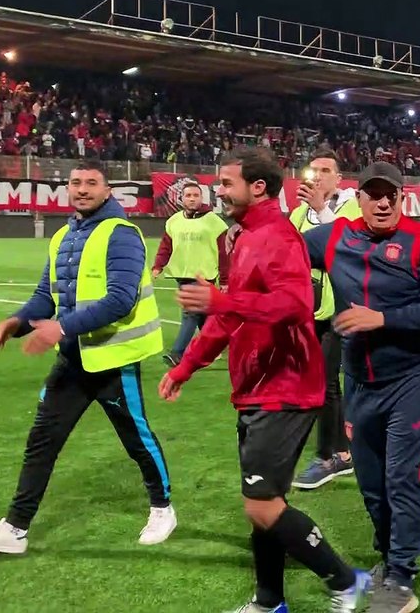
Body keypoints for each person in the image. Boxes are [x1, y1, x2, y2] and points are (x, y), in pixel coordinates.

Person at [158, 147, 370, 613]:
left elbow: (295, 306)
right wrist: (186, 366)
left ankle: (345, 580)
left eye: (227, 183)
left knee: (261, 505)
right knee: (264, 503)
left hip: (287, 387)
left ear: (258, 187)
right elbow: (226, 316)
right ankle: (269, 600)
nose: (219, 190)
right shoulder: (243, 237)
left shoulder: (278, 236)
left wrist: (223, 304)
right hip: (256, 387)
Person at [0, 159, 175, 555]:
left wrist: (60, 328)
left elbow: (121, 299)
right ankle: (15, 528)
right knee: (42, 440)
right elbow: (47, 293)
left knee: (136, 439)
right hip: (73, 359)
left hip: (113, 358)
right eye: (76, 182)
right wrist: (20, 320)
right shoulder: (63, 236)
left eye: (91, 183)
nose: (82, 189)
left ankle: (163, 508)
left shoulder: (121, 233)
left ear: (108, 191)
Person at [304, 161, 420, 613]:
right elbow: (283, 248)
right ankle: (390, 560)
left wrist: (382, 319)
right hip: (359, 380)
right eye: (373, 194)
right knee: (371, 484)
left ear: (402, 196)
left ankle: (403, 579)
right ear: (360, 198)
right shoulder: (334, 236)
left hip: (410, 377)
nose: (383, 202)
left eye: (390, 193)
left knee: (401, 478)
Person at [290, 147, 359, 490]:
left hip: (341, 310)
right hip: (307, 311)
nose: (317, 175)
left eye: (325, 170)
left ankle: (331, 456)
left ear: (339, 178)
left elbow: (351, 244)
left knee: (326, 384)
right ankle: (343, 453)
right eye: (313, 169)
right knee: (319, 383)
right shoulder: (299, 212)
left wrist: (320, 208)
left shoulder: (352, 207)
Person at [152, 180, 230, 366]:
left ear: (201, 198)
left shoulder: (213, 221)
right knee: (202, 314)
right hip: (181, 273)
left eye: (196, 195)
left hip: (203, 276)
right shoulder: (174, 221)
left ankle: (177, 353)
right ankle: (213, 348)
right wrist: (158, 266)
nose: (192, 199)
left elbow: (224, 252)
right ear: (181, 199)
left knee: (191, 313)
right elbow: (166, 246)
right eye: (188, 195)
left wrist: (225, 279)